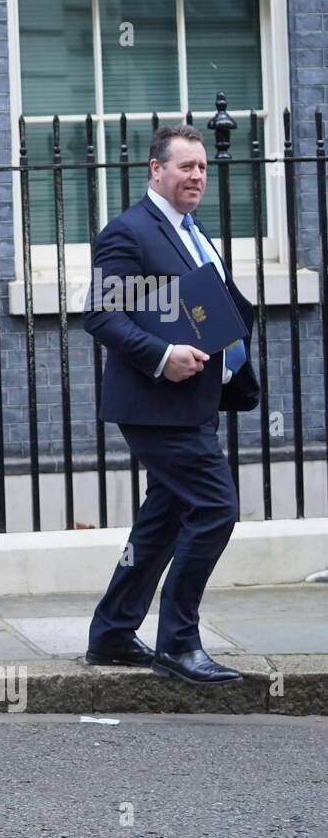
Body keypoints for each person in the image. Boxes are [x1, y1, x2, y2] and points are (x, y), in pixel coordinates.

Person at [83, 124, 259, 685]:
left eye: (203, 167)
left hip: (195, 401)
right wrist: (163, 356)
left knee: (162, 521)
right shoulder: (129, 233)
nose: (197, 177)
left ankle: (111, 634)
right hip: (156, 405)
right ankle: (179, 644)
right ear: (156, 170)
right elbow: (103, 315)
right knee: (214, 511)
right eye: (186, 167)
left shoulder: (192, 229)